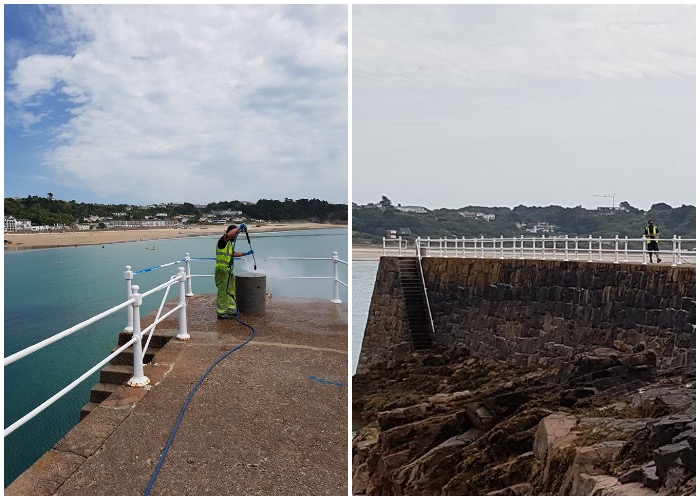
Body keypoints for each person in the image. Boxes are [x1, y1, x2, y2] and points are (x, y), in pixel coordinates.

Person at [215, 223, 254, 319]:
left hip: (228, 272)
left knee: (231, 290)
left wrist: (245, 253)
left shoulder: (229, 244)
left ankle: (230, 309)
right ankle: (221, 313)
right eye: (236, 233)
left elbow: (233, 254)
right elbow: (228, 235)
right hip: (222, 271)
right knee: (223, 292)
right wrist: (238, 228)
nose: (236, 236)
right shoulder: (222, 241)